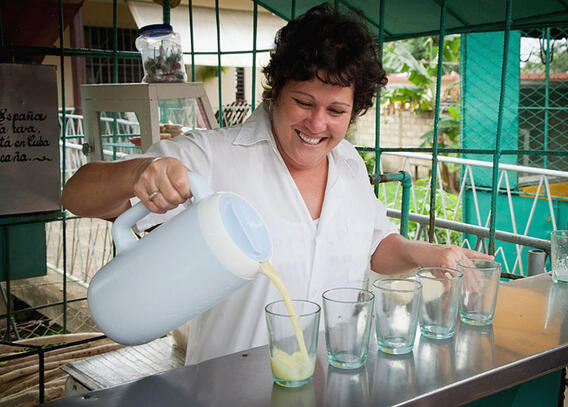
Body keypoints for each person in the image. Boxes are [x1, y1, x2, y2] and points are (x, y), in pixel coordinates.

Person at [62, 4, 492, 365]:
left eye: (336, 111)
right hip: (227, 388)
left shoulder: (349, 166)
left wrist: (431, 254)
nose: (317, 124)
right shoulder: (213, 157)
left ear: (354, 111)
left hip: (327, 378)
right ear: (276, 89)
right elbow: (75, 194)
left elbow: (375, 246)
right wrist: (137, 174)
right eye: (303, 102)